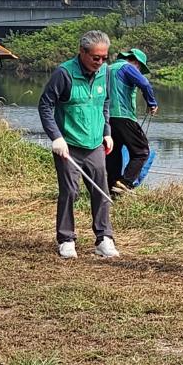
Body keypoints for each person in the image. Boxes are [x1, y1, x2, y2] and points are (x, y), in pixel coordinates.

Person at [38, 30, 119, 259]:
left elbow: (105, 103)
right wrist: (56, 137)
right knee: (70, 192)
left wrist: (107, 132)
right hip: (69, 144)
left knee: (101, 190)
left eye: (104, 57)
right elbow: (45, 106)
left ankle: (104, 238)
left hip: (95, 144)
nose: (101, 62)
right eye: (96, 58)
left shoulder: (105, 73)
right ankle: (66, 239)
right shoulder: (64, 74)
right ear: (82, 52)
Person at [105, 48, 159, 195]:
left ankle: (112, 189)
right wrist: (152, 103)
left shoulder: (107, 68)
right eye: (140, 67)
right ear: (135, 61)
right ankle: (125, 182)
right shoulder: (128, 67)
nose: (139, 70)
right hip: (124, 117)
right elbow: (145, 84)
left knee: (113, 153)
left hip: (106, 118)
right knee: (141, 151)